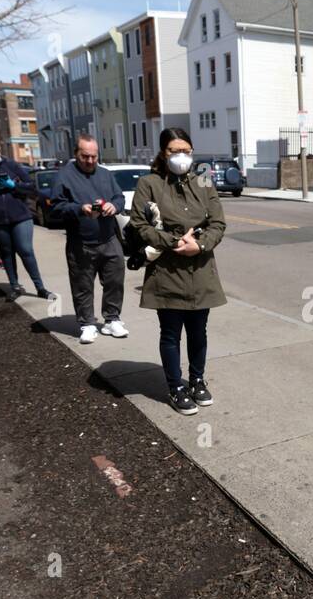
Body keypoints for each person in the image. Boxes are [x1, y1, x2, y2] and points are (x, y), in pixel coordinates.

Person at [127, 128, 226, 415]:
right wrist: (173, 241)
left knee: (199, 332)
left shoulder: (204, 181)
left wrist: (201, 244)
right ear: (163, 153)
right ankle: (175, 386)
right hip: (167, 271)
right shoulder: (149, 183)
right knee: (170, 333)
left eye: (186, 150)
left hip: (200, 268)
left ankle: (197, 379)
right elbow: (139, 225)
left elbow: (218, 222)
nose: (181, 156)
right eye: (174, 151)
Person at [48, 134, 128, 344]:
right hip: (80, 242)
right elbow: (55, 208)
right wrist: (79, 209)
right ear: (76, 154)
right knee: (82, 284)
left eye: (94, 156)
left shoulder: (105, 174)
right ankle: (87, 323)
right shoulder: (64, 176)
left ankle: (112, 319)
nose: (91, 161)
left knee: (114, 280)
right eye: (85, 157)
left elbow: (119, 197)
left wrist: (115, 206)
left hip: (109, 238)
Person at [0, 136, 53, 302]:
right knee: (6, 252)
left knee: (26, 250)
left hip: (20, 216)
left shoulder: (11, 165)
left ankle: (40, 287)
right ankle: (14, 286)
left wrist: (14, 186)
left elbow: (31, 187)